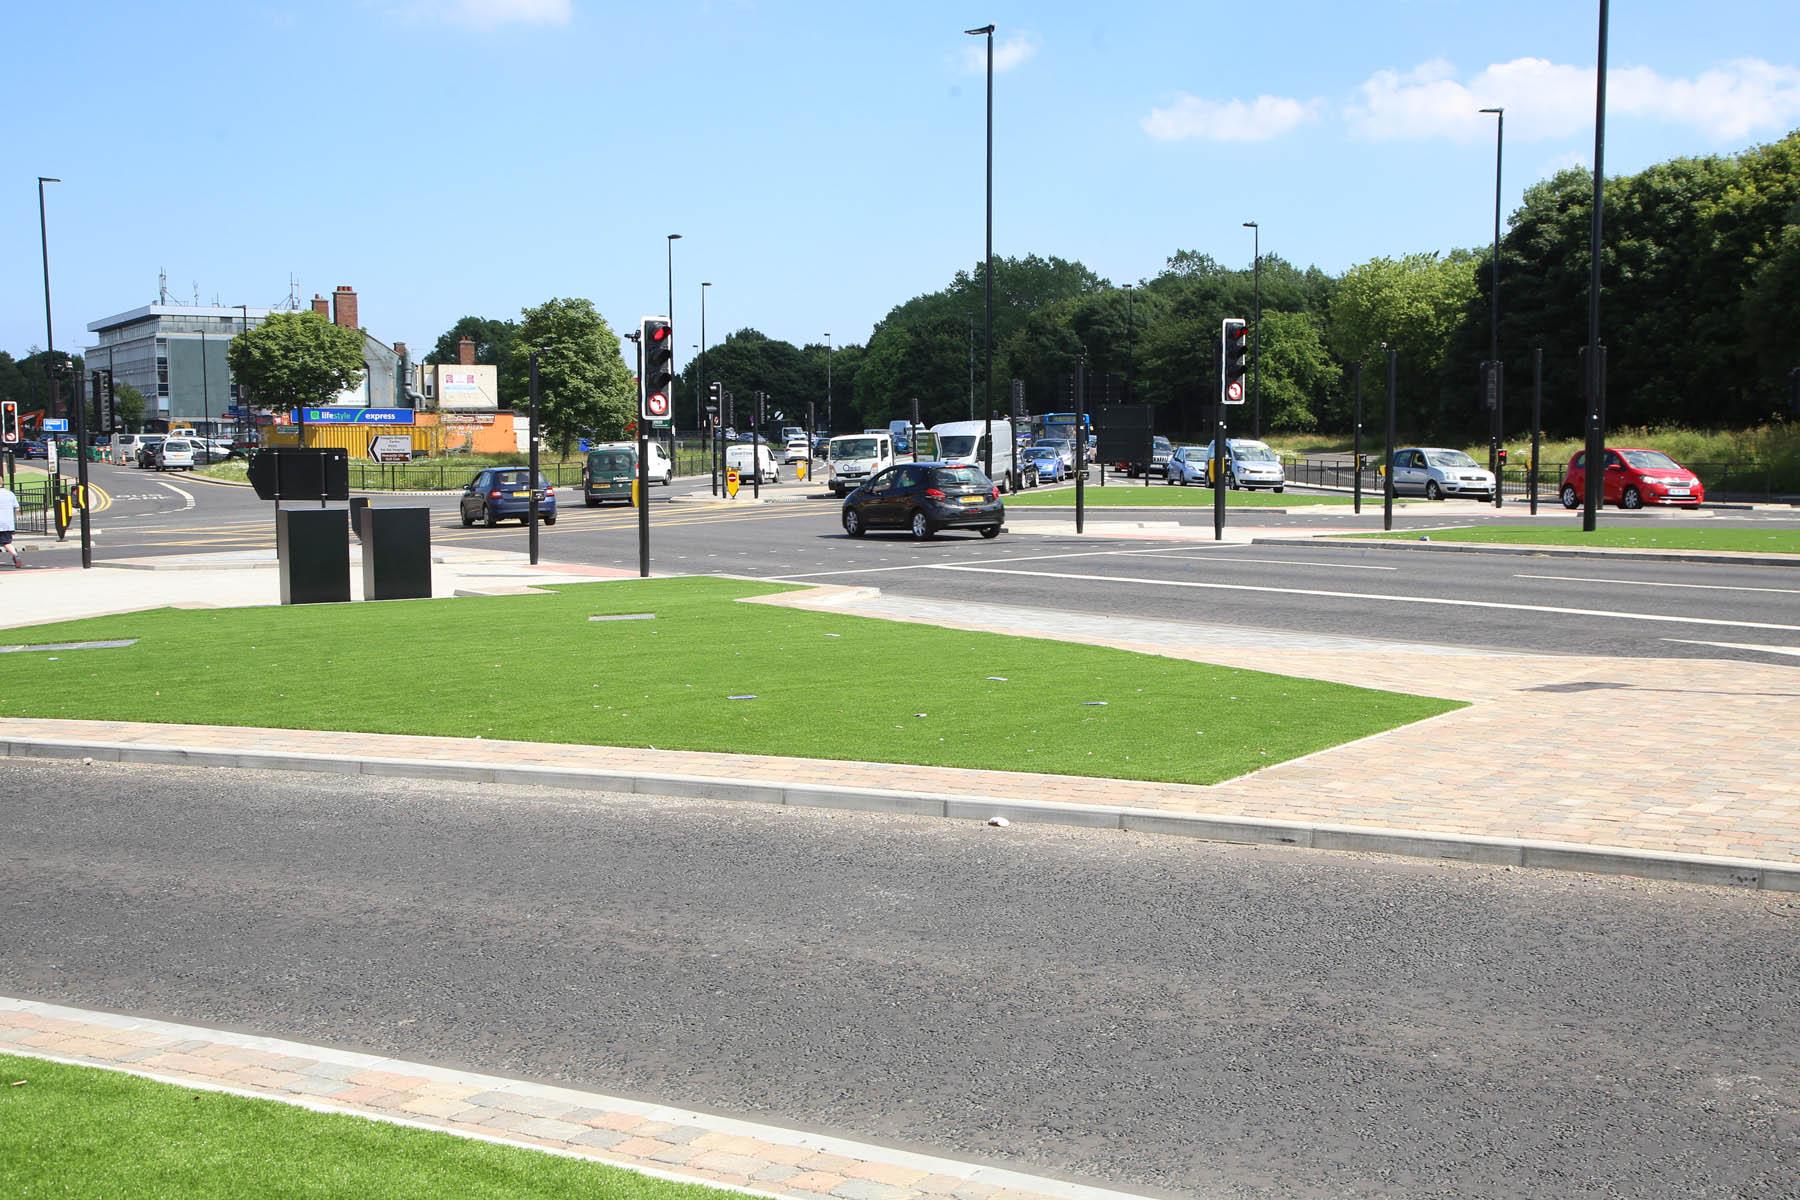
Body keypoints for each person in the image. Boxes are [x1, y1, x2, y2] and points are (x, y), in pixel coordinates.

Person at [0, 480, 21, 567]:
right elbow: (17, 508)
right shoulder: (10, 493)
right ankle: (15, 555)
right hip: (8, 523)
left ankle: (16, 556)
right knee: (7, 542)